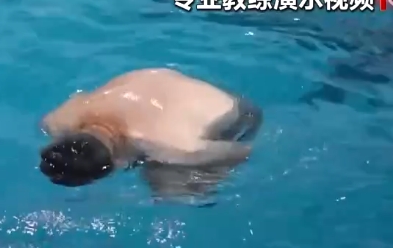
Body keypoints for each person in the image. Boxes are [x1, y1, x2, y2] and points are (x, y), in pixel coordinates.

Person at [38, 68, 262, 203]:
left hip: (236, 110)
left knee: (170, 187)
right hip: (163, 79)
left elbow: (241, 151)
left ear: (117, 163)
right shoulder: (58, 121)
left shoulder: (170, 147)